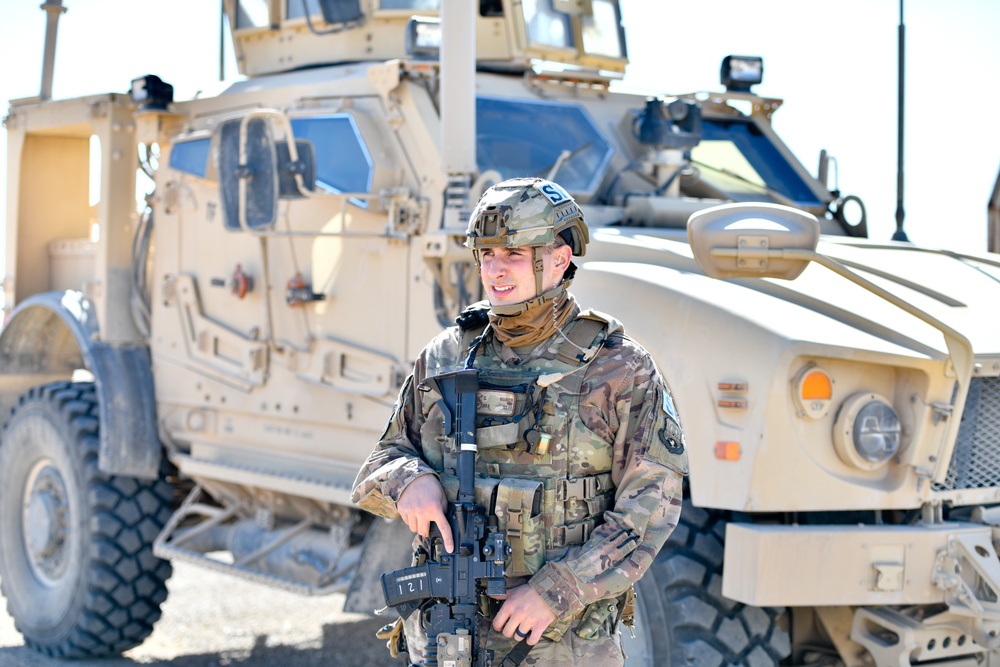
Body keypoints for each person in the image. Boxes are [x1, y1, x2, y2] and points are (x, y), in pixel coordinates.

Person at [351, 177, 688, 666]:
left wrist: (555, 590)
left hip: (562, 639)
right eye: (485, 254)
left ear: (559, 257)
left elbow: (651, 508)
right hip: (447, 631)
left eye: (512, 254)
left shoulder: (617, 367)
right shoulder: (448, 354)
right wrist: (409, 480)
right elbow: (385, 454)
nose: (494, 269)